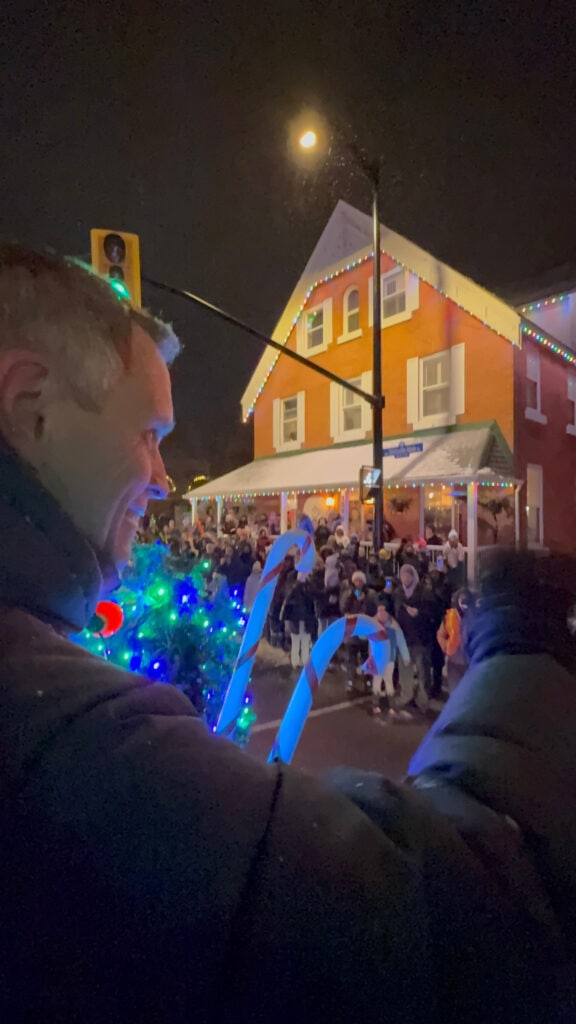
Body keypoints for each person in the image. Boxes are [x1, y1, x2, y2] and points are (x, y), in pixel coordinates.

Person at [0, 247, 572, 1023]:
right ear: (29, 406)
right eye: (149, 433)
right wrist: (526, 636)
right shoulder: (67, 737)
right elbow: (452, 923)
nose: (166, 478)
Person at [393, 564, 433, 714]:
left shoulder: (424, 592)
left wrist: (420, 613)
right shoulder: (398, 593)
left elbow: (433, 613)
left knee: (423, 670)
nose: (405, 578)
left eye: (408, 575)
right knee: (405, 670)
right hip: (404, 638)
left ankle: (423, 700)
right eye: (403, 575)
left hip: (421, 638)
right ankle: (406, 695)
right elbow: (392, 610)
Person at [366, 593, 411, 716]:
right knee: (377, 680)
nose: (381, 613)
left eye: (383, 610)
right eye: (379, 610)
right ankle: (375, 704)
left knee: (388, 681)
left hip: (390, 659)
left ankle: (391, 705)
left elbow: (401, 641)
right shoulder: (373, 624)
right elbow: (362, 635)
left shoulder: (394, 626)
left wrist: (405, 657)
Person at [437, 587, 474, 694]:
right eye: (461, 599)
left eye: (466, 599)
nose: (464, 601)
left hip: (470, 662)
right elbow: (440, 634)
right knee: (455, 693)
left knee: (470, 693)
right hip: (454, 662)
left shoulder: (476, 617)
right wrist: (446, 647)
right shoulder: (449, 617)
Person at [281, 570, 315, 669]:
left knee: (303, 640)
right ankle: (297, 661)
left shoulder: (307, 589)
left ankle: (302, 661)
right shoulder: (297, 589)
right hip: (298, 619)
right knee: (298, 640)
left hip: (304, 619)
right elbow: (287, 604)